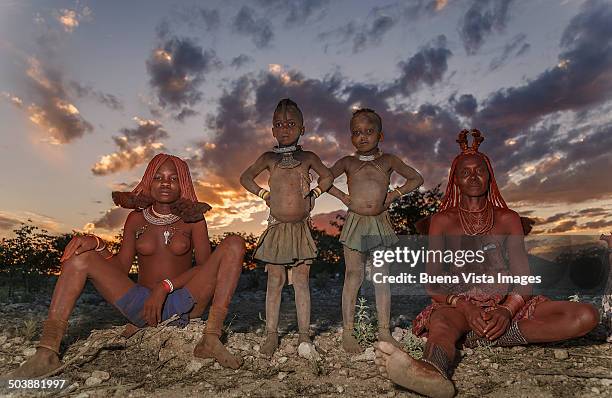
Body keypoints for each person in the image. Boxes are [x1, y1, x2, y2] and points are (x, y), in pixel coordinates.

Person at [374, 130, 599, 398]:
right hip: (457, 305)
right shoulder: (442, 221)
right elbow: (433, 285)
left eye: (479, 170)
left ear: (489, 175)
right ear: (455, 180)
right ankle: (431, 371)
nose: (473, 176)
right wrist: (466, 307)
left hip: (508, 305)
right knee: (443, 326)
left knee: (585, 316)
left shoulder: (508, 219)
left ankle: (481, 336)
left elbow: (523, 279)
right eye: (465, 172)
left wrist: (506, 311)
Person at [9, 153, 246, 377]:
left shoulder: (193, 220)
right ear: (148, 182)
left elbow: (205, 269)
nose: (166, 183)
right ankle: (47, 352)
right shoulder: (136, 219)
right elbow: (121, 267)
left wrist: (165, 287)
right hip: (141, 307)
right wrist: (97, 244)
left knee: (234, 243)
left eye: (173, 178)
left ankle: (211, 339)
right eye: (158, 177)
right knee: (80, 257)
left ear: (183, 184)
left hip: (184, 302)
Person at [240, 98, 333, 356]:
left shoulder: (308, 157)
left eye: (291, 124)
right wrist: (262, 194)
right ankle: (271, 334)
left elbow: (328, 176)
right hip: (277, 228)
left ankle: (304, 336)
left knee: (302, 280)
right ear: (272, 130)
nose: (284, 129)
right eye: (279, 124)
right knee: (275, 280)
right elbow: (245, 177)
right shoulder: (269, 158)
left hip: (301, 228)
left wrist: (314, 193)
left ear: (302, 128)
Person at [328, 108, 423, 353]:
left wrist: (394, 195)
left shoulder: (388, 160)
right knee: (353, 276)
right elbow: (324, 179)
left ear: (380, 135)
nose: (363, 137)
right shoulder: (348, 162)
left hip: (380, 223)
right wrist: (342, 197)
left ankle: (384, 331)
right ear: (351, 137)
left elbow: (416, 178)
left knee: (382, 278)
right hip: (356, 223)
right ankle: (348, 333)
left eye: (369, 131)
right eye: (357, 132)